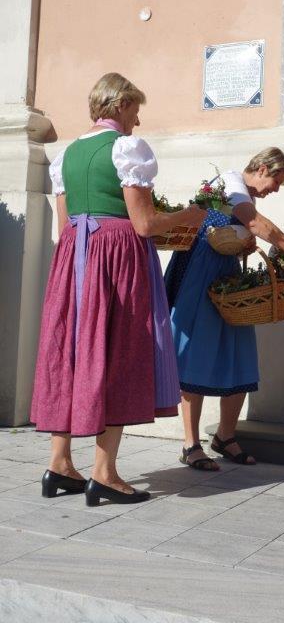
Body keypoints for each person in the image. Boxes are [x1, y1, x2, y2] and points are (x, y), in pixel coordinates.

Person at [30, 73, 205, 506]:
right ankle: (104, 473)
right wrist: (189, 216)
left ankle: (59, 464)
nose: (137, 121)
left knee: (71, 353)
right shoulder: (126, 148)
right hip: (116, 261)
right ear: (121, 104)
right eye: (135, 110)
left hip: (72, 261)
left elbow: (65, 226)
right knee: (118, 353)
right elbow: (144, 223)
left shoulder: (67, 155)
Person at [164, 148, 284, 470]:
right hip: (198, 273)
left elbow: (241, 228)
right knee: (194, 353)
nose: (276, 190)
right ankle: (190, 444)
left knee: (239, 352)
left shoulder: (245, 195)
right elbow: (254, 222)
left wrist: (244, 243)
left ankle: (225, 436)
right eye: (277, 181)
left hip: (224, 273)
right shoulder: (231, 183)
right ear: (263, 168)